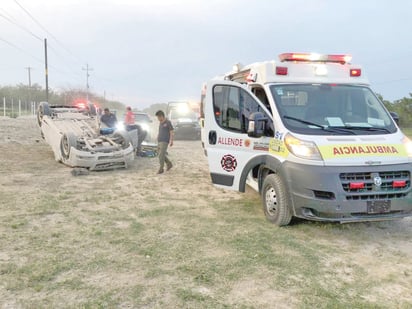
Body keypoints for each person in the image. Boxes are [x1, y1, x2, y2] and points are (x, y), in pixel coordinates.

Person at [155, 110, 173, 174]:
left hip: (165, 141)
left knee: (161, 155)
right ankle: (169, 163)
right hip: (159, 140)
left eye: (158, 117)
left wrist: (171, 140)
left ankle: (161, 169)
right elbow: (160, 131)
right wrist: (157, 136)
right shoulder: (160, 123)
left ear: (161, 116)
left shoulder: (168, 122)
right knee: (159, 154)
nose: (158, 119)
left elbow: (171, 132)